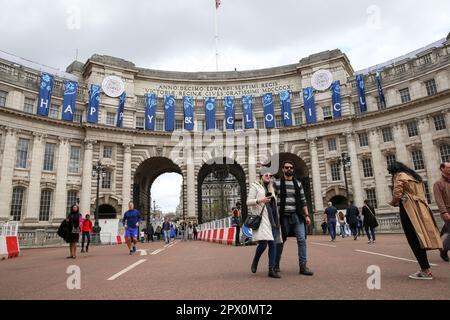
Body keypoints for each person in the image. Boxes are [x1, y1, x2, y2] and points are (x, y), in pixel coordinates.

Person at [388, 161, 442, 280]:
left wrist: (393, 202)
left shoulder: (400, 176)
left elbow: (397, 193)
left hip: (409, 208)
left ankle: (425, 270)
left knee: (413, 239)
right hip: (422, 208)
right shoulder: (415, 176)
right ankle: (425, 268)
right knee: (421, 236)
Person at [273, 160, 313, 276]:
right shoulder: (277, 183)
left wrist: (307, 215)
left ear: (293, 169)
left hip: (297, 216)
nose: (289, 169)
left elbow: (303, 200)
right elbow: (273, 200)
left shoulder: (298, 184)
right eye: (286, 167)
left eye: (291, 167)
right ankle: (276, 265)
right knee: (280, 241)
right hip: (283, 217)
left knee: (301, 240)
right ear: (283, 169)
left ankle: (303, 266)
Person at [247, 168, 282, 278]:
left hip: (272, 218)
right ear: (261, 175)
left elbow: (274, 205)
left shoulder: (271, 188)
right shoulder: (255, 186)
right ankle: (256, 260)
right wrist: (260, 200)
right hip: (262, 218)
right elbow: (248, 202)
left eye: (270, 175)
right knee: (263, 244)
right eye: (266, 174)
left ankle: (271, 269)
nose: (268, 176)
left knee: (273, 243)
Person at [433, 162, 450, 262]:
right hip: (448, 211)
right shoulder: (438, 184)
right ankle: (444, 249)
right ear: (442, 169)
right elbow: (439, 200)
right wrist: (444, 212)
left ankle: (442, 232)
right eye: (448, 167)